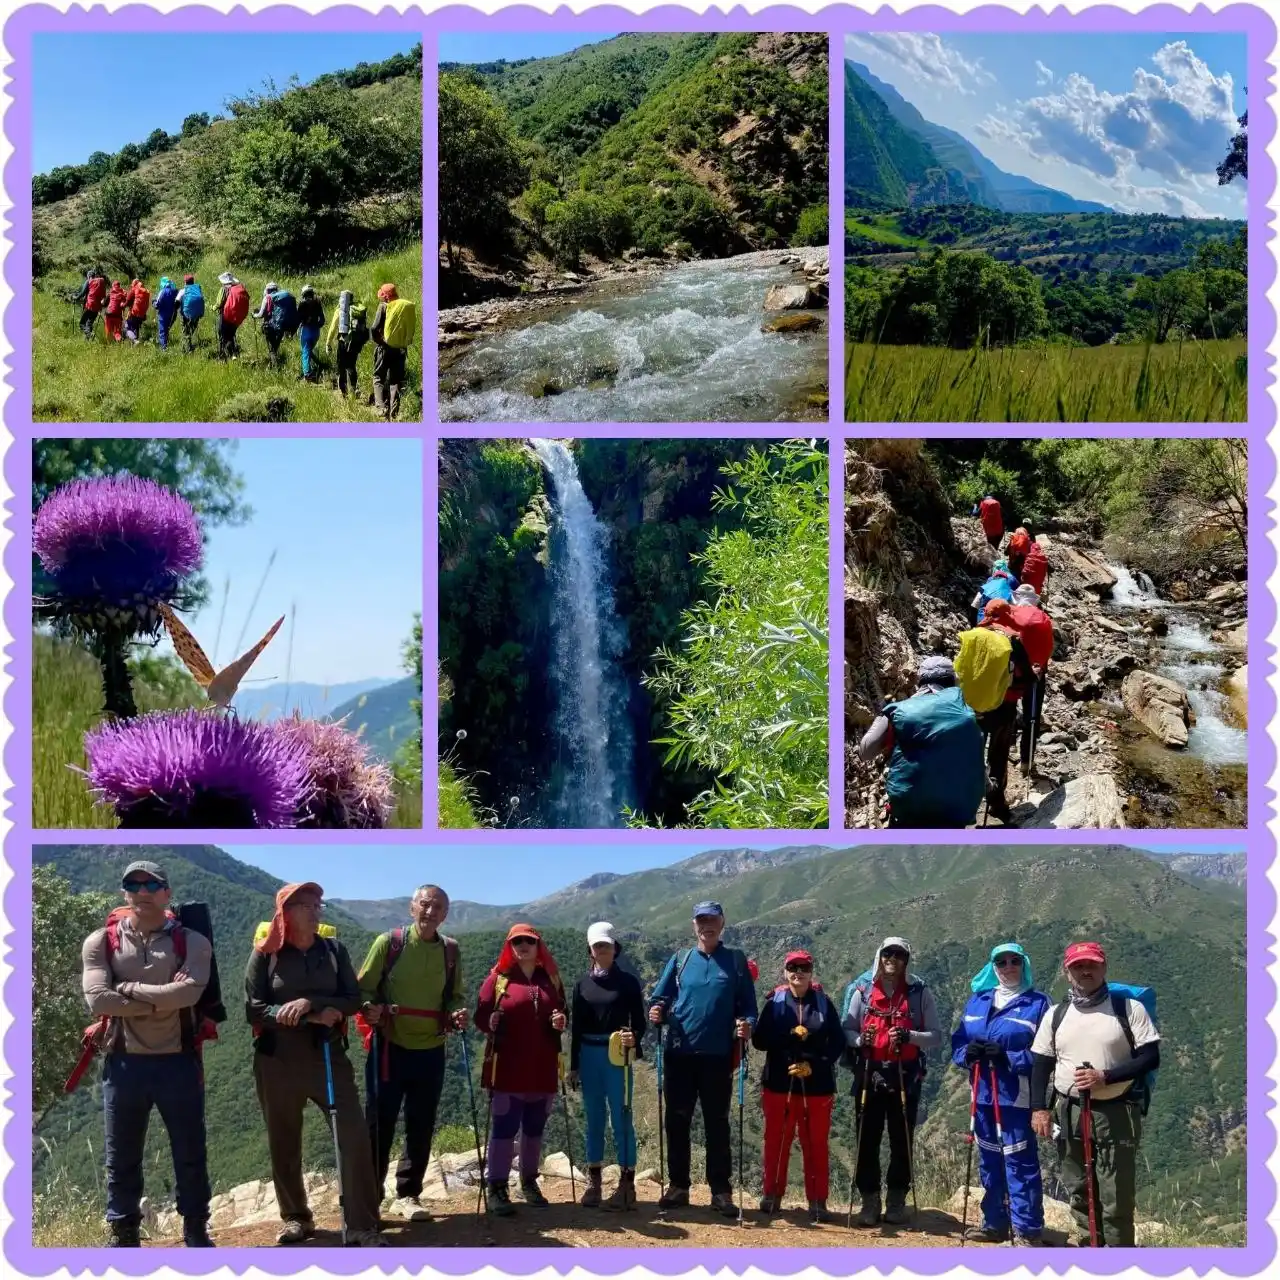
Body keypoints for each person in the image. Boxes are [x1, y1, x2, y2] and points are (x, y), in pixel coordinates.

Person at [80, 860, 214, 1247]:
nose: (142, 892)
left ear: (166, 893)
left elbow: (189, 993)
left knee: (190, 1151)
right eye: (132, 885)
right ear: (124, 892)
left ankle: (195, 1229)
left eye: (151, 885)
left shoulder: (192, 941)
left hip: (178, 1061)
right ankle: (123, 1235)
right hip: (124, 1062)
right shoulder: (100, 942)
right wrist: (160, 999)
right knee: (120, 1156)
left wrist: (127, 990)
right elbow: (98, 1001)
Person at [246, 882, 386, 1246]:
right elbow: (253, 1009)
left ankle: (361, 1224)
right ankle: (296, 1218)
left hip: (328, 1056)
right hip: (277, 1059)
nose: (315, 911)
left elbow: (352, 999)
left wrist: (310, 1002)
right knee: (284, 1140)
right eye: (306, 905)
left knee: (352, 1137)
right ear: (285, 912)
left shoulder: (334, 950)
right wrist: (302, 1015)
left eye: (317, 904)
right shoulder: (266, 954)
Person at [1030, 943, 1160, 1247]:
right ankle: (1090, 1249)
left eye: (1092, 965)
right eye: (1078, 966)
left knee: (1116, 1194)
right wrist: (1039, 1108)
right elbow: (1041, 1065)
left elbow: (1150, 1058)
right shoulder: (1056, 1014)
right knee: (1078, 1186)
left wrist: (1106, 1077)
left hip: (1116, 1110)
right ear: (1067, 972)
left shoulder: (1129, 1009)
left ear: (1104, 968)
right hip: (1069, 1109)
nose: (1085, 971)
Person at [357, 884, 468, 1223]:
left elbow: (455, 995)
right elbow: (362, 988)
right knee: (379, 1124)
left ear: (445, 915)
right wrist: (368, 1008)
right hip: (389, 1046)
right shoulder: (389, 943)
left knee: (421, 1124)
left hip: (431, 1049)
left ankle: (408, 1195)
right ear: (412, 908)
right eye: (425, 904)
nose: (430, 912)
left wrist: (457, 1011)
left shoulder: (450, 950)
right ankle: (368, 1197)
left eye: (437, 908)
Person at [648, 901, 759, 1217]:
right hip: (679, 1054)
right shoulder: (680, 960)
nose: (706, 925)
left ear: (722, 923)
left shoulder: (735, 962)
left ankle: (721, 1192)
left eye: (712, 919)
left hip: (717, 1056)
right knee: (677, 1121)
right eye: (701, 920)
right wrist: (656, 1011)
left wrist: (746, 1024)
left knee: (717, 1124)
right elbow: (659, 998)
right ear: (693, 925)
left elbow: (748, 1007)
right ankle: (678, 1186)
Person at [950, 943, 1051, 1245]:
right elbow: (957, 1045)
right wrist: (967, 1054)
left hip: (1016, 1097)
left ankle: (1028, 1231)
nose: (1008, 967)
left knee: (1019, 1162)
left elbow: (1047, 1055)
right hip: (981, 1095)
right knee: (989, 1162)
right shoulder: (978, 1001)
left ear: (1024, 964)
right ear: (993, 966)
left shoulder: (1038, 1004)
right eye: (1001, 962)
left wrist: (1009, 1057)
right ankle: (994, 1223)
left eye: (1014, 961)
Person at [842, 937, 941, 1227]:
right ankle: (869, 1200)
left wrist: (910, 1037)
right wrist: (861, 1040)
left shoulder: (919, 993)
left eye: (899, 955)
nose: (892, 959)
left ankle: (896, 1199)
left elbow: (936, 1036)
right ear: (879, 956)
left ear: (906, 961)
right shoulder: (862, 991)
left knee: (901, 1140)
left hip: (905, 1075)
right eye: (888, 953)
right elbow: (847, 1029)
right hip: (869, 1073)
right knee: (866, 1140)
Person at [475, 924, 568, 1216]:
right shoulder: (498, 980)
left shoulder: (550, 979)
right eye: (517, 941)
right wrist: (489, 1022)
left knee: (534, 1128)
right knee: (504, 1128)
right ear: (510, 947)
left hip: (543, 1068)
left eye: (529, 940)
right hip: (507, 1069)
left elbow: (564, 1011)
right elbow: (480, 1015)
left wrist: (561, 1021)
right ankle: (497, 1187)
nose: (523, 945)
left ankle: (529, 1181)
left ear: (538, 945)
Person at [752, 950, 845, 1223]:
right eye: (792, 967)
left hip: (817, 1088)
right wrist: (788, 1034)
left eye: (803, 967)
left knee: (815, 1143)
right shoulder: (774, 1003)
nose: (798, 972)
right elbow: (759, 1040)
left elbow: (837, 1043)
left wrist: (816, 1064)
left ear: (811, 972)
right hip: (779, 1084)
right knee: (776, 1142)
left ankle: (818, 1202)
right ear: (785, 972)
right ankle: (772, 1195)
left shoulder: (824, 1003)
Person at [567, 921, 646, 1210]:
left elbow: (640, 1023)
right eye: (597, 945)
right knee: (594, 1118)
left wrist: (633, 1036)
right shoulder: (581, 984)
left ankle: (627, 1183)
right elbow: (575, 1029)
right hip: (588, 1054)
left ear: (615, 948)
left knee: (622, 1117)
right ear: (590, 950)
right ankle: (595, 1181)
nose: (602, 949)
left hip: (617, 1054)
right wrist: (574, 1065)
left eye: (606, 945)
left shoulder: (627, 982)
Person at [858, 656, 985, 829]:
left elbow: (865, 752)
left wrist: (886, 720)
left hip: (909, 808)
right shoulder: (966, 714)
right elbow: (974, 759)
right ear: (952, 681)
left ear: (921, 681)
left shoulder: (899, 710)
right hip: (955, 810)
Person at [973, 599, 1037, 823]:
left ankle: (968, 800)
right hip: (1003, 708)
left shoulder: (974, 636)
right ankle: (996, 804)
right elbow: (1028, 677)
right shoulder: (1012, 640)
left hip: (975, 706)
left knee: (973, 753)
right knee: (998, 757)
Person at [370, 283, 410, 419]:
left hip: (385, 348)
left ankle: (381, 408)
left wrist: (379, 341)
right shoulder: (402, 307)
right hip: (400, 349)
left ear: (385, 296)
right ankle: (394, 413)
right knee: (395, 381)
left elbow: (374, 328)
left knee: (378, 378)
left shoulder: (383, 307)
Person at [325, 290, 369, 397]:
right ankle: (353, 389)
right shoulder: (357, 308)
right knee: (352, 366)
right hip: (355, 341)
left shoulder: (340, 310)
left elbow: (332, 328)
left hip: (343, 342)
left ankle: (344, 392)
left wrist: (328, 343)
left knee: (341, 366)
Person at [212, 272, 248, 360]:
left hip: (224, 316)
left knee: (222, 336)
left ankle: (222, 357)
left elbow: (219, 303)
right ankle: (234, 354)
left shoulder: (224, 289)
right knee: (231, 335)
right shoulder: (237, 288)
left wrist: (213, 308)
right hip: (236, 318)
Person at [296, 284, 326, 383]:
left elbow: (298, 318)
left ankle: (308, 374)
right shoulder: (317, 302)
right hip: (316, 332)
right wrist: (317, 325)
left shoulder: (302, 304)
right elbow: (322, 320)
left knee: (305, 352)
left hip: (306, 331)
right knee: (308, 350)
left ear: (303, 294)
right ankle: (319, 364)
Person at [73, 267, 107, 339]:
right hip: (97, 307)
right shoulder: (101, 283)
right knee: (89, 324)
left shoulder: (89, 281)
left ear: (88, 276)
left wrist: (76, 298)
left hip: (90, 305)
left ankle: (89, 334)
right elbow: (104, 295)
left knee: (82, 324)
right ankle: (87, 340)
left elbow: (82, 293)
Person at [175, 274, 205, 351]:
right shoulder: (197, 289)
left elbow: (177, 303)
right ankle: (189, 343)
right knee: (192, 329)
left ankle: (187, 349)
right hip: (196, 314)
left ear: (185, 282)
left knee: (185, 331)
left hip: (185, 315)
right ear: (193, 281)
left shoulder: (182, 291)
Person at [153, 276, 180, 351]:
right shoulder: (175, 291)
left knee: (162, 331)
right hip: (173, 315)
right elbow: (178, 303)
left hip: (163, 315)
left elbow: (157, 305)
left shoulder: (163, 291)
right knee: (167, 330)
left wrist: (153, 302)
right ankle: (166, 344)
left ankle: (163, 349)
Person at [122, 278, 150, 344]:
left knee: (128, 327)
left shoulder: (134, 290)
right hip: (142, 315)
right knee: (136, 327)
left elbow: (127, 301)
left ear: (134, 284)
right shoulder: (145, 291)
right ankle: (136, 342)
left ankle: (135, 341)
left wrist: (122, 305)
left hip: (134, 313)